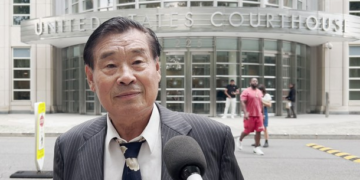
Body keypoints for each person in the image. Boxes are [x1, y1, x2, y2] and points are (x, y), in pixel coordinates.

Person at [53, 17, 243, 180]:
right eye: (110, 65)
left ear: (157, 69)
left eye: (137, 62)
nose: (126, 77)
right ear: (90, 78)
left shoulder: (214, 137)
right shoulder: (69, 146)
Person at [236, 77, 265, 155]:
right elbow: (242, 102)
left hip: (258, 115)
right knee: (247, 131)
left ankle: (256, 147)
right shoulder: (246, 91)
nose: (255, 82)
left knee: (259, 131)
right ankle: (240, 139)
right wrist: (245, 112)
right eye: (253, 81)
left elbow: (261, 103)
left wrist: (263, 114)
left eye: (256, 81)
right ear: (250, 82)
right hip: (250, 115)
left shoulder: (259, 92)